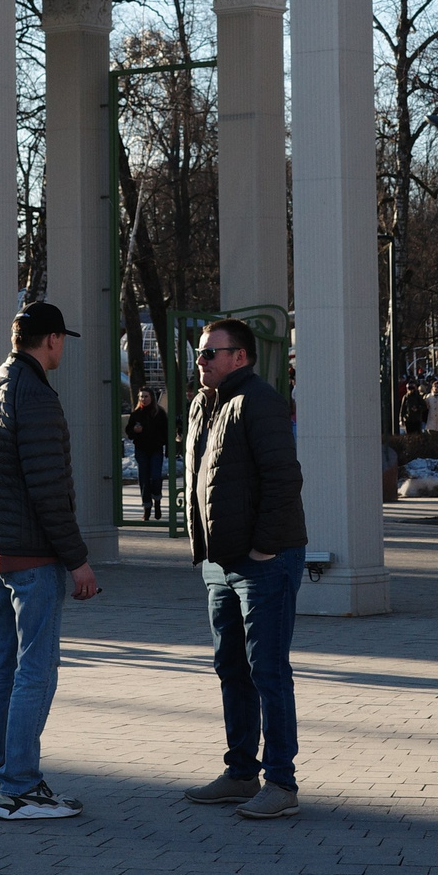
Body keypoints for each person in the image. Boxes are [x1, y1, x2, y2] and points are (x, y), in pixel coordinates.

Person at [0, 302, 98, 820]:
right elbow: (49, 489)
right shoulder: (35, 395)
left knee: (0, 665)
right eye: (63, 339)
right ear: (52, 340)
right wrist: (78, 560)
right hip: (34, 553)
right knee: (34, 669)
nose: (63, 347)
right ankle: (19, 788)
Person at [181, 315, 309, 820]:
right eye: (199, 352)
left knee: (267, 671)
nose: (201, 360)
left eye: (210, 352)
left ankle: (281, 782)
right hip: (220, 562)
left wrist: (263, 548)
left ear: (241, 356)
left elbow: (283, 479)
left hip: (264, 562)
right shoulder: (201, 405)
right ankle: (240, 773)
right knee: (231, 668)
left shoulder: (260, 401)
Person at [124, 387, 170, 523]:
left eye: (146, 396)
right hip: (141, 450)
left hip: (155, 449)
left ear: (152, 398)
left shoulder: (159, 413)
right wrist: (134, 431)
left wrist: (163, 443)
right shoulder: (136, 414)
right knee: (144, 479)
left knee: (155, 477)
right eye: (141, 397)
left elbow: (166, 431)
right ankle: (147, 509)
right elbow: (129, 432)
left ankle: (157, 502)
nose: (143, 399)